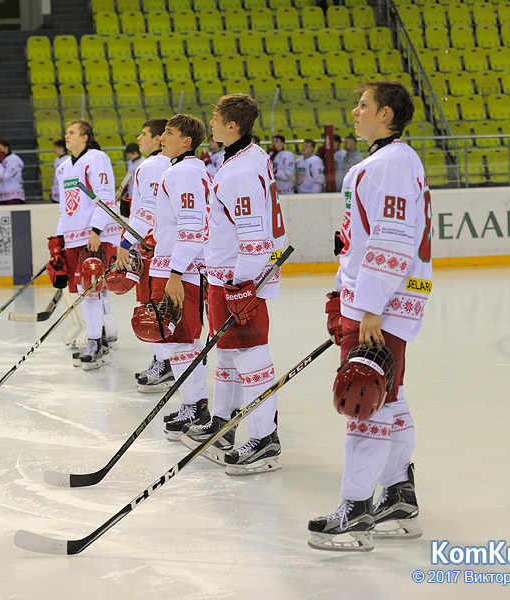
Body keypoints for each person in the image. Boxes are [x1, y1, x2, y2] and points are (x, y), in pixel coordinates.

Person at [307, 80, 431, 552]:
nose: (354, 112)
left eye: (362, 106)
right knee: (388, 396)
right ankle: (399, 496)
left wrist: (370, 306)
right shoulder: (387, 163)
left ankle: (355, 510)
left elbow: (392, 240)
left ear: (386, 115)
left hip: (380, 306)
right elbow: (363, 238)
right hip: (374, 301)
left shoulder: (391, 164)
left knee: (363, 397)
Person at [181, 93, 286, 476]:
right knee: (226, 354)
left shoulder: (241, 170)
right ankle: (223, 425)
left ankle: (265, 436)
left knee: (249, 353)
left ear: (232, 126)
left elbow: (254, 236)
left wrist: (243, 283)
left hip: (237, 277)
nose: (211, 124)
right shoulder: (246, 158)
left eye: (216, 118)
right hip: (227, 275)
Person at [148, 113, 211, 439]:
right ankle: (193, 401)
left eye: (169, 133)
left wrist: (175, 272)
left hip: (179, 269)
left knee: (182, 338)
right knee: (175, 338)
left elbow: (191, 228)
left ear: (186, 141)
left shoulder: (184, 173)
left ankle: (197, 405)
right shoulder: (184, 170)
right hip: (172, 265)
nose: (162, 138)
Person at [52, 119, 119, 370]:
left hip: (94, 236)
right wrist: (59, 240)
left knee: (93, 289)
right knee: (85, 291)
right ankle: (102, 338)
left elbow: (105, 196)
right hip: (74, 238)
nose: (66, 136)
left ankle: (94, 341)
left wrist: (96, 230)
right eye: (66, 132)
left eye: (71, 132)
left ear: (85, 136)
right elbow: (64, 209)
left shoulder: (97, 158)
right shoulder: (63, 168)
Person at [115, 119, 172, 392]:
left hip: (152, 249)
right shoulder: (177, 164)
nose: (139, 138)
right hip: (173, 249)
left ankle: (164, 363)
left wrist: (125, 243)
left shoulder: (150, 166)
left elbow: (144, 214)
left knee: (151, 305)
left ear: (160, 138)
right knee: (167, 307)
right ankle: (166, 360)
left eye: (144, 133)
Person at [0, 139, 25, 205]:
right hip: (2, 197)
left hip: (14, 196)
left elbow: (5, 176)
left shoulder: (14, 159)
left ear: (6, 148)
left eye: (0, 149)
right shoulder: (1, 159)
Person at [120, 142, 143, 217]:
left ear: (135, 153)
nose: (128, 156)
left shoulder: (143, 162)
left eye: (130, 154)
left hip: (139, 192)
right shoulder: (130, 162)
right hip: (130, 190)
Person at [50, 138, 67, 203]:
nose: (54, 150)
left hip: (63, 190)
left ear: (61, 148)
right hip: (56, 190)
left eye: (56, 148)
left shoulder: (67, 160)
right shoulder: (57, 160)